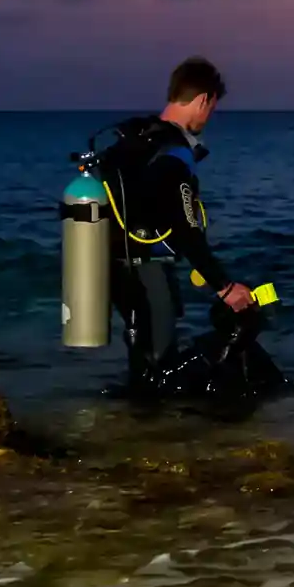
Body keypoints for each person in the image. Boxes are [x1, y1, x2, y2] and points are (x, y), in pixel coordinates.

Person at [97, 57, 260, 395]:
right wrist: (226, 288)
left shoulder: (134, 141)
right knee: (160, 370)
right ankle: (149, 432)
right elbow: (185, 228)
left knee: (143, 361)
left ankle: (135, 428)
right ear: (203, 100)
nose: (209, 117)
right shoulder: (174, 152)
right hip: (145, 268)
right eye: (212, 108)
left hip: (111, 265)